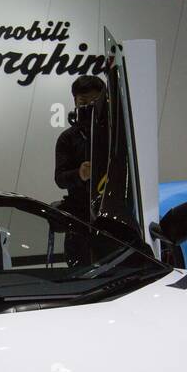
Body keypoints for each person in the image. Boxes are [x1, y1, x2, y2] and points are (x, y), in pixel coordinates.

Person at [54, 74, 107, 265]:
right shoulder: (67, 138)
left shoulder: (114, 134)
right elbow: (59, 178)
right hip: (79, 216)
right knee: (79, 267)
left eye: (94, 101)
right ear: (75, 102)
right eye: (83, 101)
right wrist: (79, 174)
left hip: (110, 213)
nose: (88, 107)